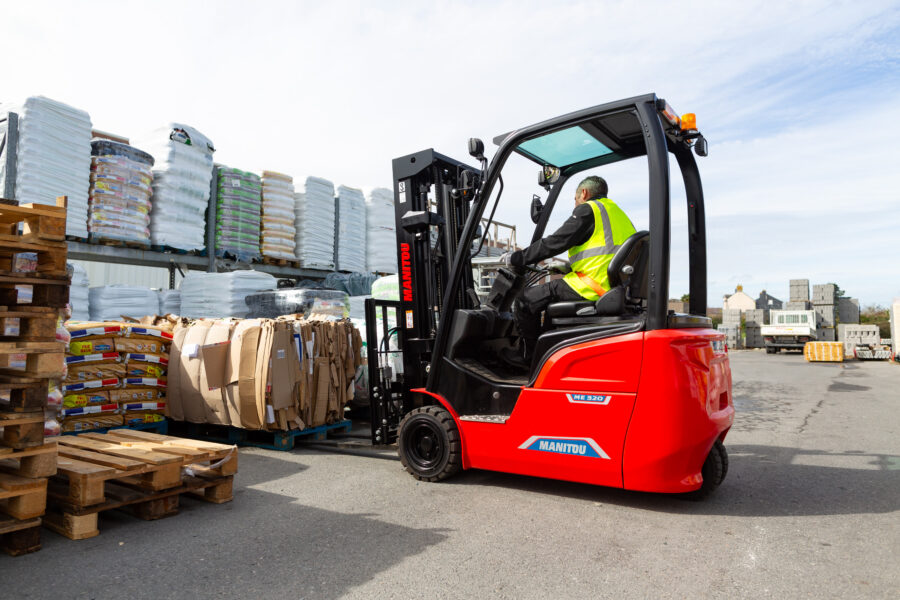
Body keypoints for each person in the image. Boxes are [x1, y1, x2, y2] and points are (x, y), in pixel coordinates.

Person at [499, 175, 636, 367]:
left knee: (525, 300)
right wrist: (569, 267)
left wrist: (517, 258)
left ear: (584, 193)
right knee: (545, 301)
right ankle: (547, 354)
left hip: (592, 287)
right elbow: (607, 255)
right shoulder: (619, 215)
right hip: (613, 287)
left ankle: (528, 358)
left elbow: (556, 242)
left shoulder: (589, 210)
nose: (575, 204)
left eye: (575, 199)